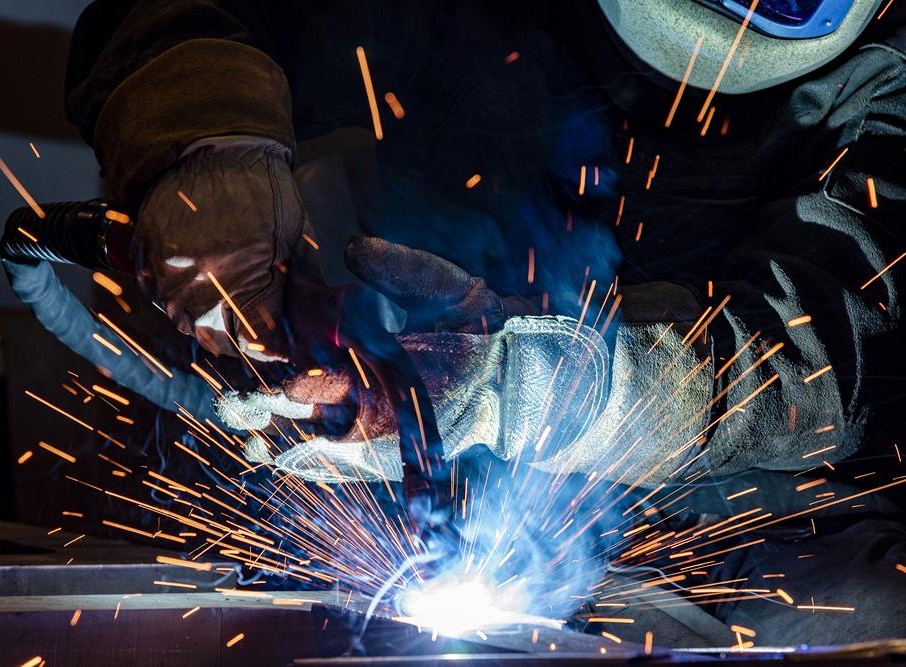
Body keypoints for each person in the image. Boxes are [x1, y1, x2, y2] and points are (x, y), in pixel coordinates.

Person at [65, 0, 906, 646]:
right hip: (435, 474)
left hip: (762, 514)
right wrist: (207, 136)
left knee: (870, 612)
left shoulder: (892, 68)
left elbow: (819, 361)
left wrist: (529, 386)